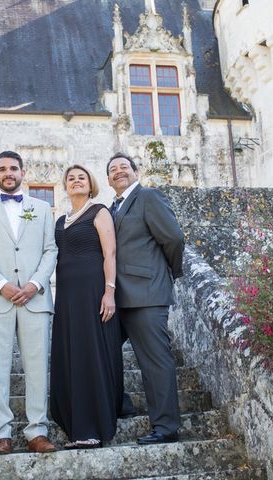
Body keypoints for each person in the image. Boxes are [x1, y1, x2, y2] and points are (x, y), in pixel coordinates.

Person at [0, 150, 58, 455]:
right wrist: (2, 285)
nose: (8, 173)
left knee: (37, 367)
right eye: (3, 169)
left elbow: (50, 251)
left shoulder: (43, 208)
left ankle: (37, 431)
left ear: (22, 173)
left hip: (36, 299)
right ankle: (1, 433)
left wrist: (34, 284)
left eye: (14, 168)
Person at [107, 153, 185, 445]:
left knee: (155, 362)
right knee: (101, 352)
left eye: (124, 167)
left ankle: (166, 427)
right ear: (108, 178)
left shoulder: (148, 197)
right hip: (117, 297)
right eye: (113, 169)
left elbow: (174, 239)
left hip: (147, 294)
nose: (119, 172)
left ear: (135, 171)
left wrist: (168, 273)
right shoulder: (112, 207)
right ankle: (121, 405)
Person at [49, 164, 122, 449]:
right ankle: (74, 425)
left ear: (90, 183)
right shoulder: (60, 221)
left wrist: (109, 292)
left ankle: (93, 426)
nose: (76, 181)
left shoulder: (99, 211)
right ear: (65, 186)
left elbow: (110, 253)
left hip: (93, 291)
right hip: (66, 296)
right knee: (71, 354)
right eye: (70, 178)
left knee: (90, 354)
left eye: (81, 177)